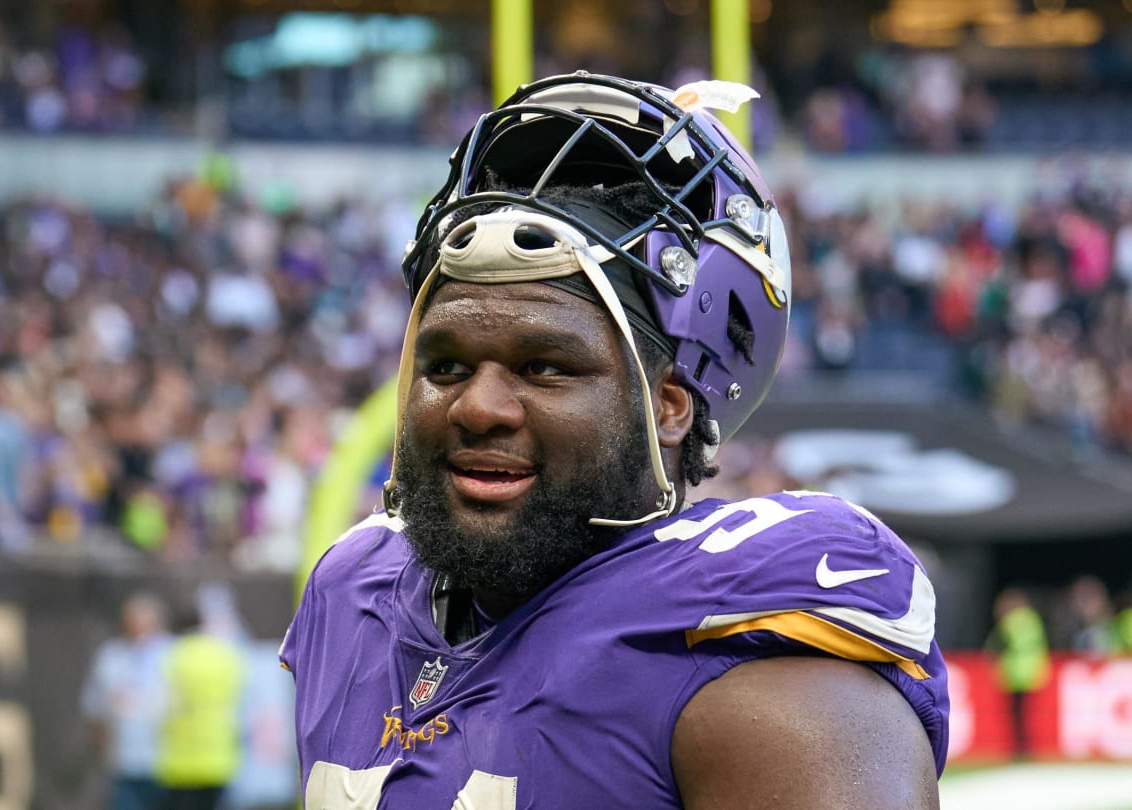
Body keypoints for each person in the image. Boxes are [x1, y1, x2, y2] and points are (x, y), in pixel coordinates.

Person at [280, 72, 949, 809]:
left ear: (668, 407)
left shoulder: (751, 668)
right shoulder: (353, 593)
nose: (478, 407)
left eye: (545, 367)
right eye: (445, 365)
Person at [81, 592, 174, 810]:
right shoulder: (111, 656)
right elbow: (95, 709)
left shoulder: (174, 654)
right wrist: (104, 752)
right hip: (124, 763)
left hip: (169, 765)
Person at [153, 599, 245, 810]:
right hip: (219, 758)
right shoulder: (224, 654)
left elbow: (162, 706)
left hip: (179, 761)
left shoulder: (173, 656)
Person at [985, 587, 1049, 758]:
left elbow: (996, 645)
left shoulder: (1010, 621)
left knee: (1016, 715)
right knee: (1026, 714)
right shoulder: (1033, 619)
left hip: (1015, 672)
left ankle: (1019, 749)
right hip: (1032, 671)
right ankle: (1026, 747)